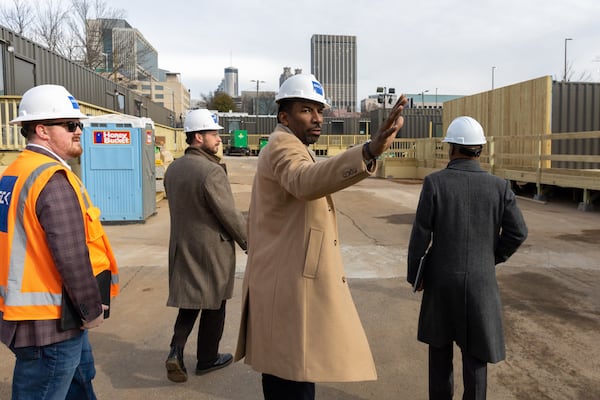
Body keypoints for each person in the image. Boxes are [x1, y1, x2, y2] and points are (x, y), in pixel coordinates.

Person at [235, 73, 408, 399]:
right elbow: (304, 180)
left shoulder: (290, 144)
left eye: (320, 111)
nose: (317, 119)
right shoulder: (283, 146)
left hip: (282, 285)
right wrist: (368, 151)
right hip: (286, 291)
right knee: (293, 381)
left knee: (291, 375)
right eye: (306, 110)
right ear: (284, 116)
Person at [0, 84, 119, 399]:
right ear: (42, 130)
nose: (78, 130)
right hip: (51, 322)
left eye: (77, 123)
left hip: (32, 316)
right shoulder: (51, 179)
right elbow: (71, 255)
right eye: (70, 125)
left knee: (80, 385)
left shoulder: (14, 172)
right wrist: (91, 309)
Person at [407, 116, 528, 399]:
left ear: (451, 148)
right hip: (480, 283)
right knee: (475, 359)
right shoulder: (499, 187)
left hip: (440, 281)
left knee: (439, 354)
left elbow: (420, 235)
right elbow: (518, 231)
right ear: (480, 150)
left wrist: (416, 275)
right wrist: (491, 256)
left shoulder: (434, 183)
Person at [163, 108, 247, 383]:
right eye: (213, 134)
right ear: (198, 137)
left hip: (181, 245)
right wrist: (249, 241)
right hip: (211, 251)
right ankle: (207, 358)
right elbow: (228, 214)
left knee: (189, 302)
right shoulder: (210, 171)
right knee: (214, 303)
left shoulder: (173, 169)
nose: (219, 139)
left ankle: (176, 351)